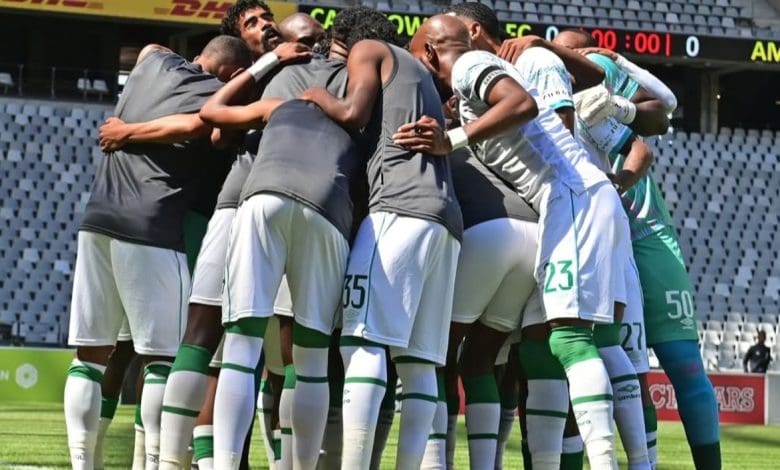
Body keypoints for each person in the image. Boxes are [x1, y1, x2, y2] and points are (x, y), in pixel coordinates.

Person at [395, 15, 631, 469]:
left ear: (428, 52)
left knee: (571, 342)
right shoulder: (470, 87)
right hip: (572, 200)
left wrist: (453, 139)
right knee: (570, 343)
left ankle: (606, 461)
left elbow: (519, 103)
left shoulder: (467, 63)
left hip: (571, 196)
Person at [63, 35, 252, 470]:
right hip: (151, 226)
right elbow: (198, 123)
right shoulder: (215, 94)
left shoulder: (150, 67)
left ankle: (81, 464)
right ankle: (154, 463)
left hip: (96, 221)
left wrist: (127, 129)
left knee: (89, 355)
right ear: (233, 75)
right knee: (162, 360)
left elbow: (149, 47)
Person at [299, 6, 463, 469]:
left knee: (362, 341)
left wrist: (317, 96)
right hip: (446, 223)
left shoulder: (370, 51)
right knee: (419, 365)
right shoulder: (428, 83)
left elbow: (352, 112)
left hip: (399, 210)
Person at [554, 33, 722, 470]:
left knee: (684, 366)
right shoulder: (546, 98)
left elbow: (661, 114)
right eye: (568, 54)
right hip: (587, 241)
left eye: (582, 53)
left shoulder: (605, 97)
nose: (574, 61)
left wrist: (620, 81)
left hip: (646, 236)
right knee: (592, 365)